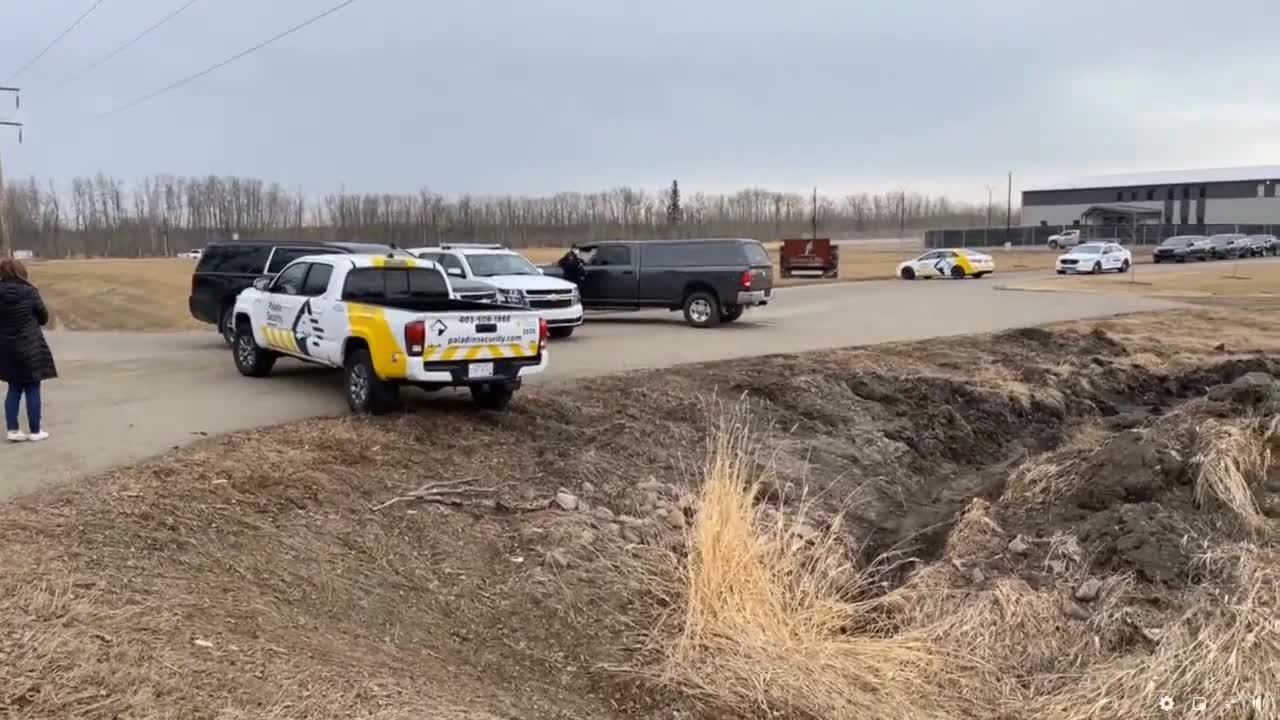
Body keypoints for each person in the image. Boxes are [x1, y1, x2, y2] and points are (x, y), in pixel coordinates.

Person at [0, 258, 56, 442]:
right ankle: (35, 430)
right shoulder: (30, 292)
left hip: (6, 347)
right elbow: (43, 317)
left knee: (14, 387)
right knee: (32, 386)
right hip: (30, 345)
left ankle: (13, 430)